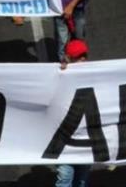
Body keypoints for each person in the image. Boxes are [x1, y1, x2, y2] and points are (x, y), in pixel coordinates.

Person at [55, 38, 91, 186]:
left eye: (84, 56)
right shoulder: (58, 74)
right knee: (65, 176)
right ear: (68, 58)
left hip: (86, 138)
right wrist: (60, 74)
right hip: (63, 139)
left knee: (81, 179)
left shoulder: (97, 73)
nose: (82, 60)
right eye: (78, 58)